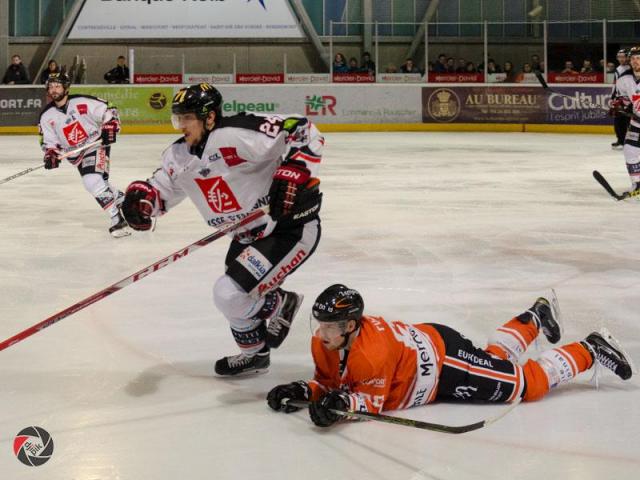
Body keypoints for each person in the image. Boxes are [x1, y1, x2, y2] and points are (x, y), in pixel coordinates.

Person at [120, 83, 324, 376]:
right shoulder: (178, 156)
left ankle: (282, 302)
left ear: (210, 117)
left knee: (229, 293)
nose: (181, 125)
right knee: (234, 300)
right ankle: (255, 355)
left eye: (188, 117)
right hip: (245, 236)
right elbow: (159, 191)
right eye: (179, 117)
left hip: (288, 228)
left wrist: (294, 170)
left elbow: (301, 129)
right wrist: (141, 203)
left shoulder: (237, 133)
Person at [267, 285, 633, 428]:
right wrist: (305, 389)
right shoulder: (326, 343)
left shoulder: (371, 352)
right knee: (496, 360)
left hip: (446, 364)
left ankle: (590, 348)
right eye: (321, 324)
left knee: (526, 384)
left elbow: (367, 403)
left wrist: (336, 405)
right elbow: (333, 384)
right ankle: (535, 317)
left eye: (331, 326)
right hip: (428, 357)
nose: (321, 332)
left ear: (350, 326)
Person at [38, 73, 129, 237]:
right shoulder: (46, 116)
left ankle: (117, 219)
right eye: (50, 86)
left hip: (96, 145)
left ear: (66, 88)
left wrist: (111, 126)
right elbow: (48, 141)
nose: (53, 90)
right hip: (76, 155)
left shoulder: (82, 101)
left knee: (91, 180)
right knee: (99, 183)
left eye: (57, 86)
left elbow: (109, 109)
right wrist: (50, 154)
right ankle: (122, 199)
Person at [611, 46, 640, 197]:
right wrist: (619, 106)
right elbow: (625, 100)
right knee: (629, 149)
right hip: (637, 122)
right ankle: (637, 184)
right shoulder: (624, 79)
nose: (636, 61)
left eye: (639, 58)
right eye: (633, 58)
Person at [610, 48, 631, 150]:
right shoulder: (618, 69)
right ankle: (621, 140)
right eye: (619, 57)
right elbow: (615, 84)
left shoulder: (632, 68)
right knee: (618, 121)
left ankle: (631, 141)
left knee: (630, 121)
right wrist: (613, 97)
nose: (621, 59)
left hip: (631, 99)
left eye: (623, 57)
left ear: (627, 57)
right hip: (620, 99)